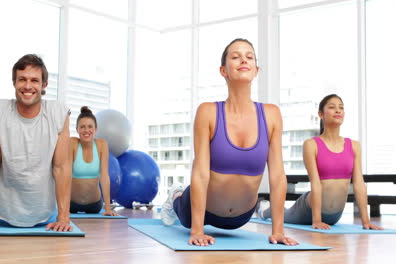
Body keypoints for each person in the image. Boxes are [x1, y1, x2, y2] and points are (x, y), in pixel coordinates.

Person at [161, 38, 298, 246]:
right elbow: (200, 172)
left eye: (249, 56)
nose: (243, 60)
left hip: (240, 218)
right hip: (200, 210)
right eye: (235, 57)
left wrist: (278, 231)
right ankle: (175, 195)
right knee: (185, 211)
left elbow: (278, 175)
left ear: (256, 70)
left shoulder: (271, 114)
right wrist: (197, 230)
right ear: (223, 70)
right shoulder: (208, 112)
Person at [0, 54, 72, 232]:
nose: (27, 86)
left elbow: (61, 167)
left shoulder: (58, 114)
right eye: (22, 79)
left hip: (47, 217)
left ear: (44, 85)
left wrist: (63, 218)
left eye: (34, 80)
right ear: (14, 83)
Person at [257, 94, 383, 230]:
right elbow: (315, 182)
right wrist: (316, 220)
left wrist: (366, 222)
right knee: (283, 214)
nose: (338, 110)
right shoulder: (311, 145)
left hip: (335, 215)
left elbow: (359, 183)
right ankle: (264, 211)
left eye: (341, 108)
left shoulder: (354, 145)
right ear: (321, 114)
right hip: (307, 210)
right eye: (332, 107)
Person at [69, 106, 118, 216]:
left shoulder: (101, 145)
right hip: (71, 204)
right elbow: (65, 174)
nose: (86, 130)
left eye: (90, 127)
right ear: (77, 129)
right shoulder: (72, 143)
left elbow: (104, 176)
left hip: (94, 205)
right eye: (82, 127)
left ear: (95, 129)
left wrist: (108, 208)